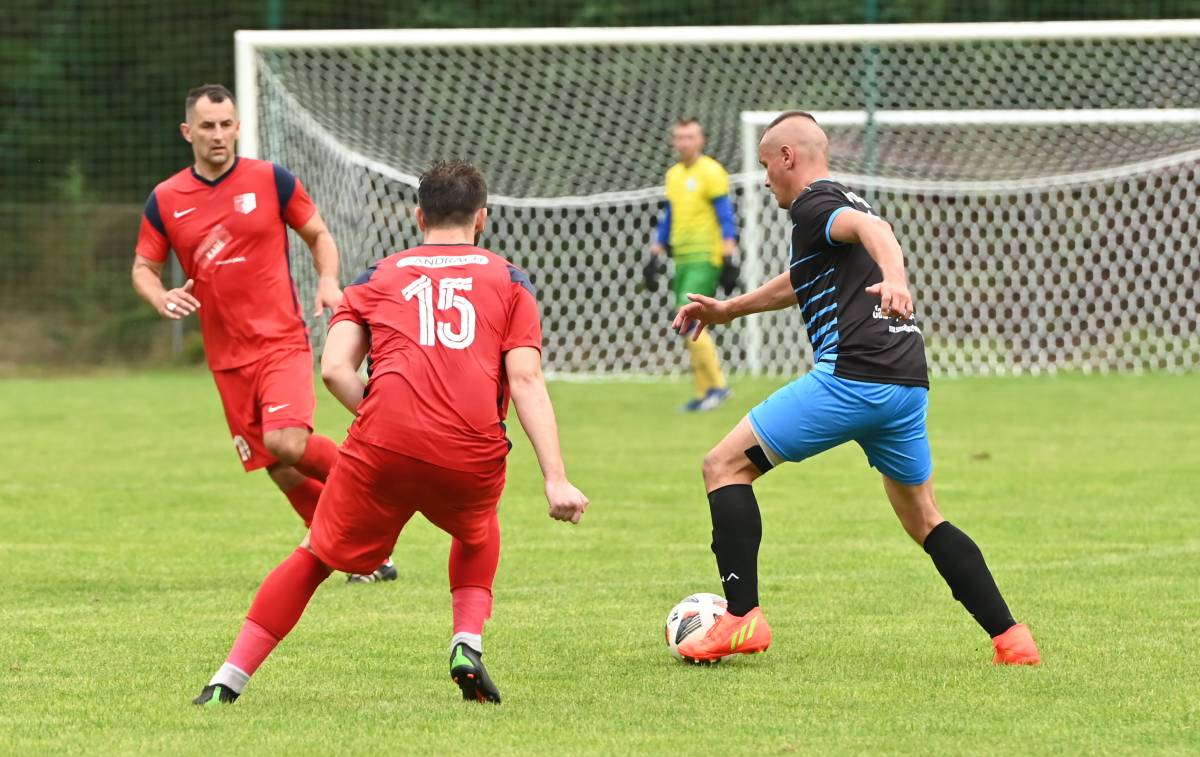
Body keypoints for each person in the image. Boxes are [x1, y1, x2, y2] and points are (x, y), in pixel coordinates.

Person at [192, 159, 589, 706]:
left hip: (383, 444)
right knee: (477, 531)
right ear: (482, 218)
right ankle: (466, 642)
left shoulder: (376, 276)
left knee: (314, 556)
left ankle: (226, 681)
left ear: (419, 216)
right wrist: (556, 479)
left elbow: (334, 370)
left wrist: (385, 417)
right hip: (468, 451)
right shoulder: (509, 279)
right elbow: (525, 379)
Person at [671, 111, 1040, 666]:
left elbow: (877, 232)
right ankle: (1013, 640)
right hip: (905, 381)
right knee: (924, 518)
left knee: (723, 466)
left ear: (789, 157)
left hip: (854, 376)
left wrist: (896, 279)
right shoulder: (840, 203)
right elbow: (803, 278)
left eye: (767, 165)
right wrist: (730, 309)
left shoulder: (813, 203)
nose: (765, 179)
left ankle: (741, 617)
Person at [131, 83, 395, 583]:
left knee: (286, 441)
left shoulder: (271, 180)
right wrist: (159, 296)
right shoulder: (166, 199)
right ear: (187, 132)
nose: (218, 134)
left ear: (238, 127)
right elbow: (144, 267)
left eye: (225, 124)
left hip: (280, 342)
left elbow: (318, 233)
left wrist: (328, 280)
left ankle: (370, 482)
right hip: (227, 359)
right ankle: (360, 555)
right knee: (279, 466)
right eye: (207, 126)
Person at [646, 117, 738, 412]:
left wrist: (729, 256)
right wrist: (656, 252)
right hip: (682, 258)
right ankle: (703, 393)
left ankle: (718, 387)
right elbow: (670, 216)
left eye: (690, 137)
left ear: (701, 140)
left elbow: (725, 216)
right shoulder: (673, 175)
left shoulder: (712, 171)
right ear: (673, 141)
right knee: (687, 322)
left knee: (686, 318)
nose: (685, 142)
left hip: (705, 256)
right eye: (680, 137)